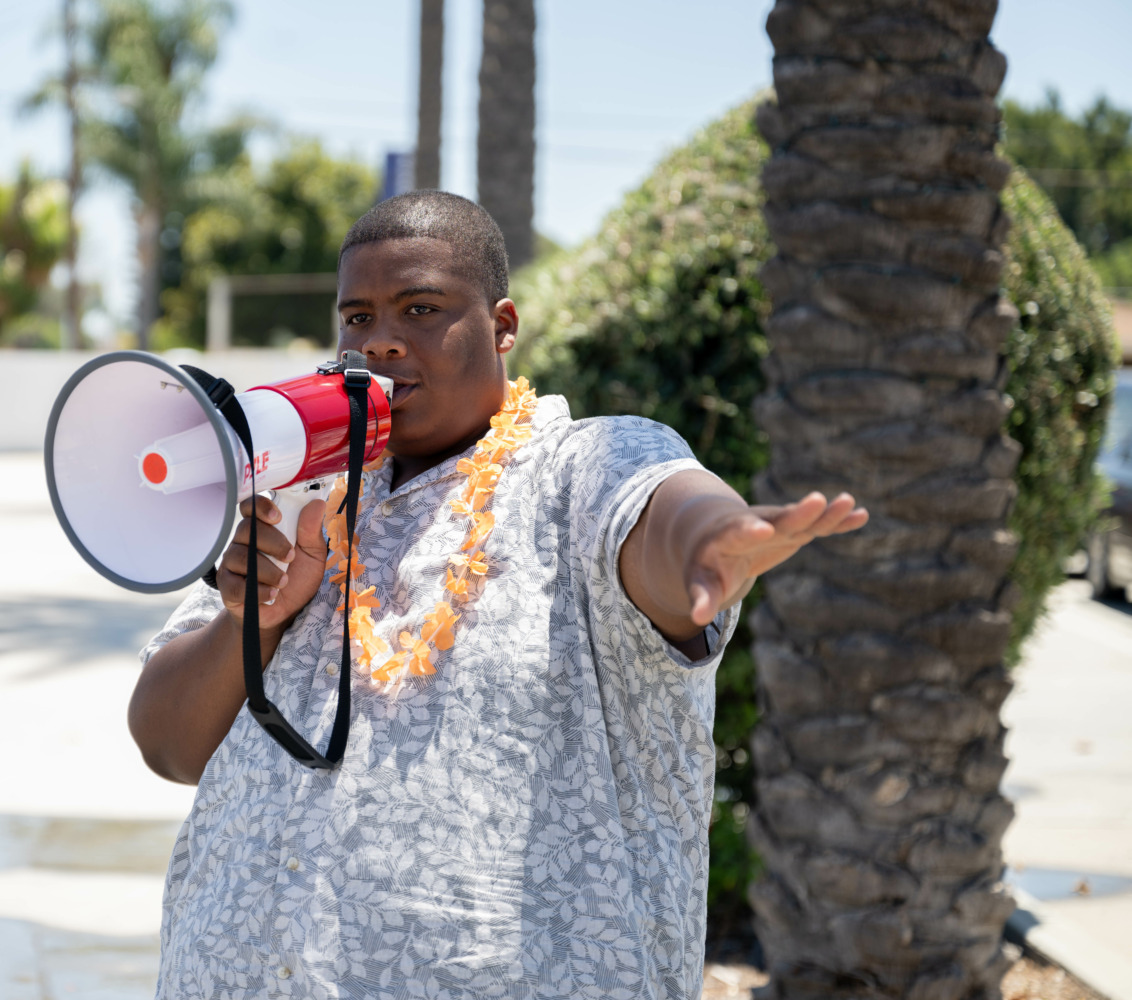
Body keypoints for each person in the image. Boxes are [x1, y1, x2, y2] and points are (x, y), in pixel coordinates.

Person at [130, 190, 867, 999]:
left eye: (420, 309)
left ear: (502, 327)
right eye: (357, 317)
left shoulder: (577, 469)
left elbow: (658, 505)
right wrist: (254, 621)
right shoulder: (299, 490)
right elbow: (167, 747)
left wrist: (711, 535)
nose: (379, 342)